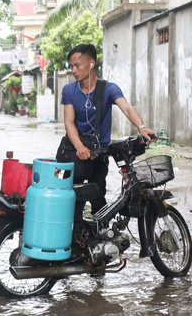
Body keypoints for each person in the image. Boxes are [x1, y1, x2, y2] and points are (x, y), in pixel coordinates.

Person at [56, 44, 155, 214]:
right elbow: (69, 122)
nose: (73, 70)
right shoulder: (69, 90)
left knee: (98, 196)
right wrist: (80, 147)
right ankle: (72, 234)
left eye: (77, 65)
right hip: (73, 152)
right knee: (69, 197)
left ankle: (98, 235)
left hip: (99, 153)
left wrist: (141, 126)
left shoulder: (109, 88)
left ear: (91, 63)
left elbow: (127, 108)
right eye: (71, 66)